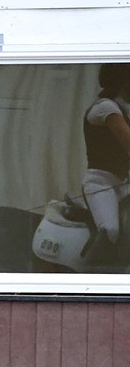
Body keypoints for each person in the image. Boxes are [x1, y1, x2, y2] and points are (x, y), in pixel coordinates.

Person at [81, 63, 130, 265]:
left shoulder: (124, 108)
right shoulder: (106, 108)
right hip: (100, 183)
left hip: (123, 184)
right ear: (123, 81)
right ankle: (91, 270)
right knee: (110, 230)